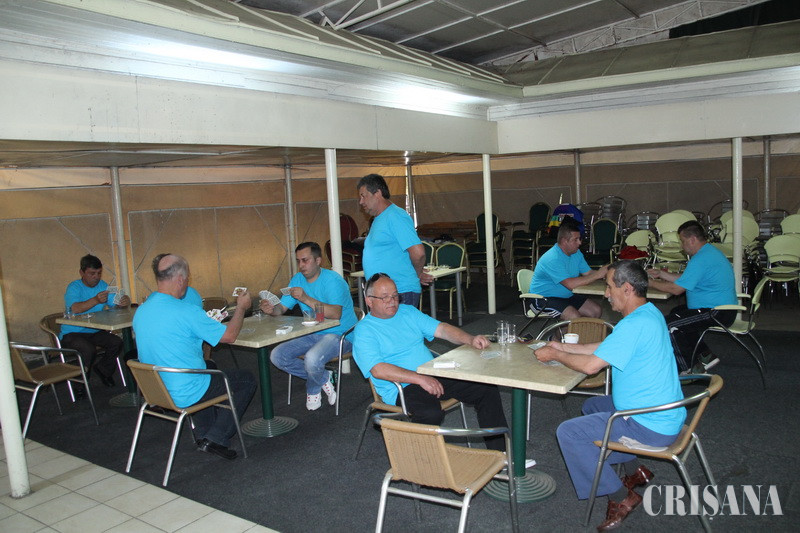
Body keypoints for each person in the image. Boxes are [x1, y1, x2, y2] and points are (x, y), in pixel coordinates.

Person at [534, 260, 685, 531]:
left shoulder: (633, 325)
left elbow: (591, 367)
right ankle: (634, 471)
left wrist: (556, 355)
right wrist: (564, 347)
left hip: (648, 424)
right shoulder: (649, 313)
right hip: (664, 412)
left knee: (569, 433)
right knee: (593, 406)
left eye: (608, 287)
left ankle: (622, 496)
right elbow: (607, 346)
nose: (605, 294)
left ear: (627, 289)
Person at [352, 273, 508, 451]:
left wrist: (470, 339)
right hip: (402, 387)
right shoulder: (365, 330)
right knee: (430, 413)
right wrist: (420, 378)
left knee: (485, 389)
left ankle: (501, 453)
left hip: (432, 374)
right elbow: (378, 370)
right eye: (385, 297)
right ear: (369, 301)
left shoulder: (408, 311)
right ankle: (423, 460)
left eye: (395, 295)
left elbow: (442, 329)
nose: (392, 301)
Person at [133, 253, 256, 460]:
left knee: (207, 367)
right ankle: (216, 437)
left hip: (156, 390)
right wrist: (241, 308)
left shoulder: (142, 311)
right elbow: (229, 336)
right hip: (184, 390)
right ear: (181, 279)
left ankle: (204, 434)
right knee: (246, 380)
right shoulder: (186, 311)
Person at [260, 242, 358, 411]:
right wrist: (271, 309)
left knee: (312, 359)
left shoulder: (333, 281)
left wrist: (305, 298)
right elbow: (280, 309)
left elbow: (335, 314)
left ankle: (313, 389)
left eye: (305, 260)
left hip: (341, 333)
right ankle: (323, 376)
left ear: (318, 261)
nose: (301, 265)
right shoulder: (297, 280)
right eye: (298, 261)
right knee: (277, 356)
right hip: (313, 332)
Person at [647, 220, 737, 372]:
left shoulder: (701, 259)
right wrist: (661, 274)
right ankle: (705, 355)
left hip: (717, 312)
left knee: (670, 325)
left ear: (692, 240)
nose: (682, 246)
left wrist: (648, 282)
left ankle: (688, 368)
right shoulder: (708, 253)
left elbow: (676, 289)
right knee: (677, 313)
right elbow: (686, 279)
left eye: (683, 241)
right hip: (721, 309)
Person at [357, 174, 433, 308]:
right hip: (386, 294)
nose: (361, 202)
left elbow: (418, 253)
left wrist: (417, 274)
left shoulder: (395, 216)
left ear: (377, 193)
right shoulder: (379, 219)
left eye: (363, 196)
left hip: (400, 292)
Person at [61, 254, 131, 387]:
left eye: (99, 273)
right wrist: (95, 300)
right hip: (72, 333)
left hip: (94, 330)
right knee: (88, 350)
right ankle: (80, 384)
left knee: (116, 342)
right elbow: (75, 308)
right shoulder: (74, 287)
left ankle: (103, 369)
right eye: (92, 273)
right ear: (82, 272)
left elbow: (114, 305)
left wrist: (123, 302)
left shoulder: (103, 285)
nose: (96, 277)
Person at [528, 217, 607, 320]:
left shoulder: (576, 253)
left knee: (596, 311)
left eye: (579, 239)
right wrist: (598, 274)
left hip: (565, 296)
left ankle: (582, 331)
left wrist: (606, 274)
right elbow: (570, 285)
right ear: (564, 241)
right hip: (542, 299)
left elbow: (588, 273)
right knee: (573, 316)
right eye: (575, 240)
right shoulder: (553, 258)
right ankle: (562, 332)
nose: (580, 243)